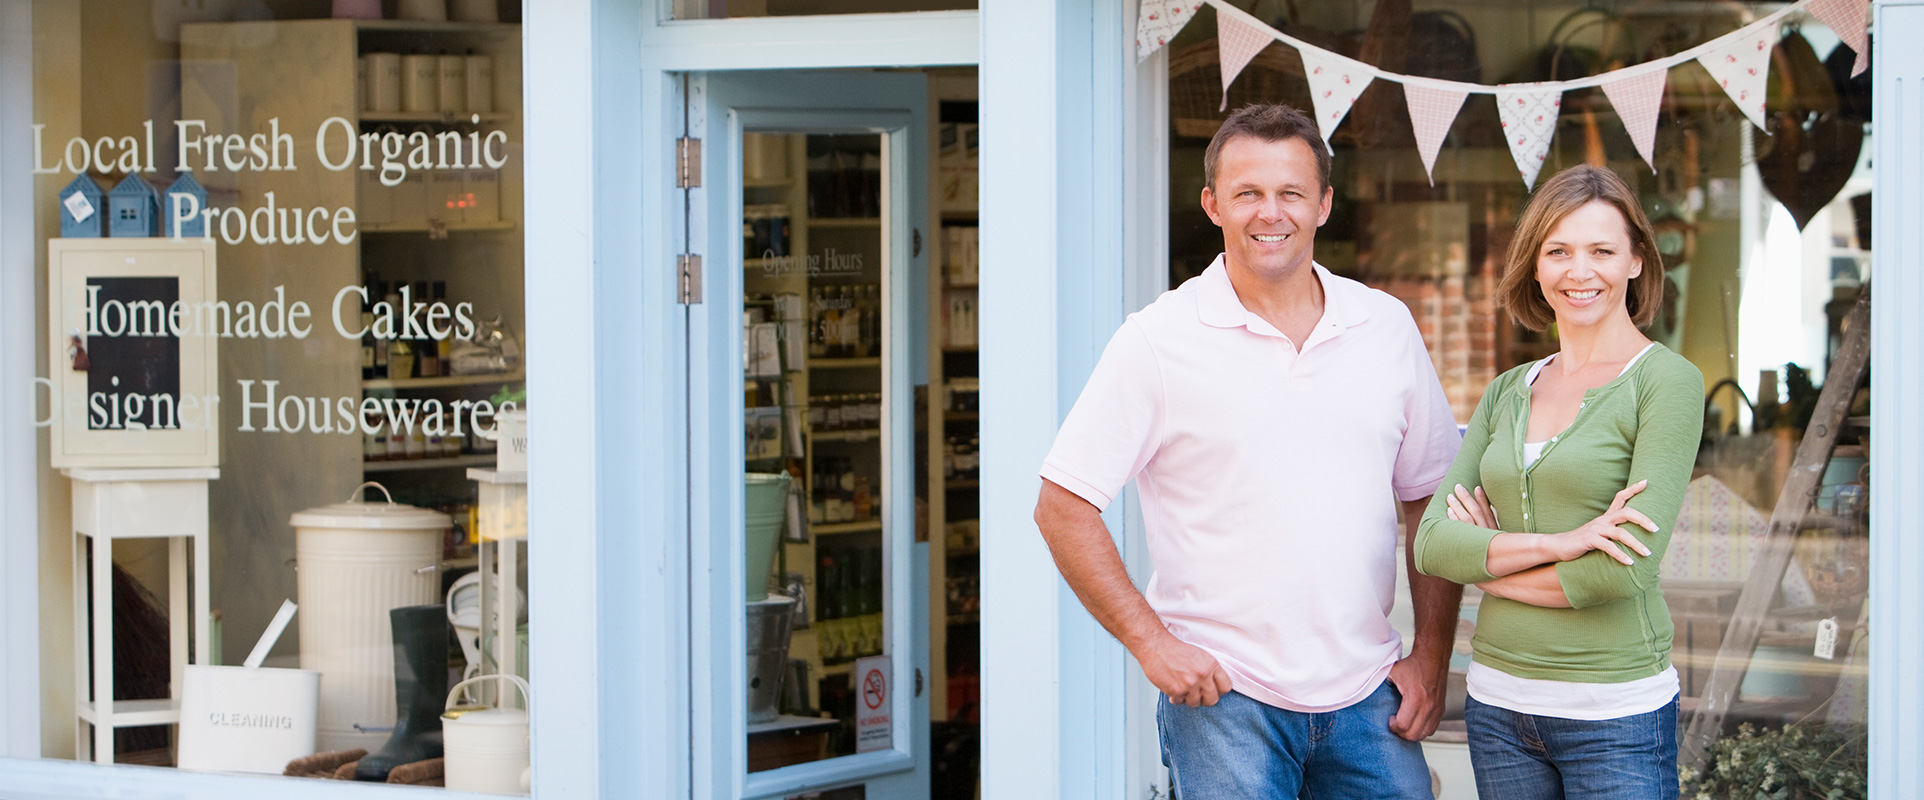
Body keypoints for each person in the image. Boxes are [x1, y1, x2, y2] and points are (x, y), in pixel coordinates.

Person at [1033, 103, 1464, 799]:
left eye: (1291, 192)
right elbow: (1062, 507)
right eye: (1248, 193)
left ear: (1323, 204)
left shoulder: (1385, 326)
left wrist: (1431, 657)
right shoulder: (1159, 341)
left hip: (1369, 693)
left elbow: (1432, 499)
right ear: (1212, 205)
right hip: (1225, 699)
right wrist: (1152, 644)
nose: (1271, 212)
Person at [1413, 164, 1704, 800]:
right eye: (1559, 251)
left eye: (1602, 250)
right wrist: (1565, 543)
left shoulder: (1665, 382)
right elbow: (1433, 545)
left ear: (1635, 262)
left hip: (1614, 713)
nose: (1580, 271)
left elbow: (1622, 572)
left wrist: (1485, 561)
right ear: (1536, 266)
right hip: (1496, 706)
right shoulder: (1507, 390)